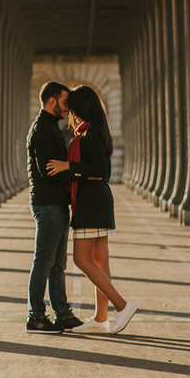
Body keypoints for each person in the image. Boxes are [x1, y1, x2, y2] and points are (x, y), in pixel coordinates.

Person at [46, 85, 137, 335]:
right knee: (100, 261)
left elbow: (98, 171)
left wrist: (69, 166)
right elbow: (102, 171)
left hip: (91, 203)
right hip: (98, 201)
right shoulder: (95, 131)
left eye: (74, 110)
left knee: (81, 259)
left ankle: (122, 306)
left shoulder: (90, 135)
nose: (71, 114)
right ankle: (100, 318)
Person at [24, 81, 82, 334]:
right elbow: (48, 171)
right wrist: (76, 172)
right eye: (64, 102)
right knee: (44, 261)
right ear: (51, 101)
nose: (67, 108)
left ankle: (63, 313)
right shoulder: (44, 130)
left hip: (56, 204)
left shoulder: (51, 127)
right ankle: (36, 316)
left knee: (57, 264)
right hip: (48, 205)